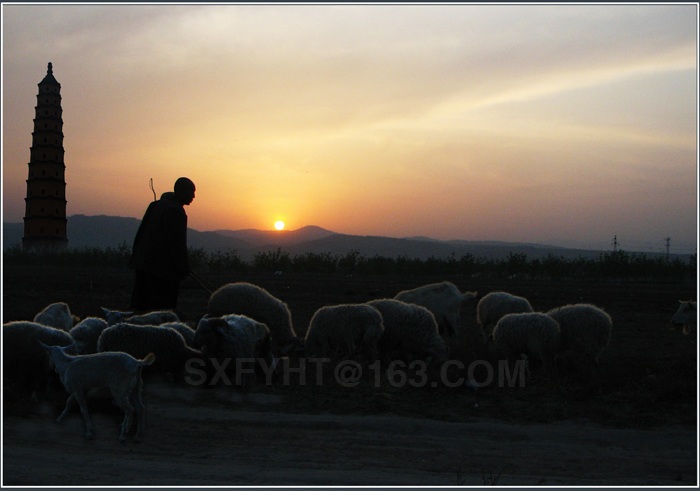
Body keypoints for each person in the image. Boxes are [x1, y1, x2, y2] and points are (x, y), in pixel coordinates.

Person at [128, 177, 196, 312]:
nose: (193, 196)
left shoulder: (155, 205)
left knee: (140, 306)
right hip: (162, 271)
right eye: (191, 192)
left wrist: (136, 256)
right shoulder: (176, 211)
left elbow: (140, 233)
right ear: (181, 191)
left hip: (142, 264)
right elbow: (177, 245)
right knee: (161, 309)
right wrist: (183, 268)